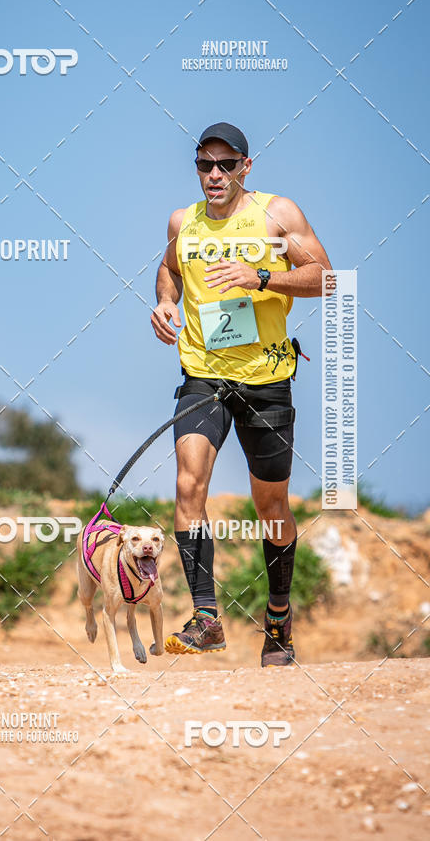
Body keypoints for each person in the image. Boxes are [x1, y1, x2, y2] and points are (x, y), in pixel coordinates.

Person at [150, 122, 332, 666]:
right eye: (205, 165)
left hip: (267, 378)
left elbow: (324, 277)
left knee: (270, 503)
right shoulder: (184, 222)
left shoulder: (279, 216)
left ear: (246, 167)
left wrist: (260, 276)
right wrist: (165, 303)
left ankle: (279, 618)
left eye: (226, 165)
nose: (214, 175)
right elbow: (168, 268)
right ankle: (207, 617)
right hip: (204, 374)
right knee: (188, 484)